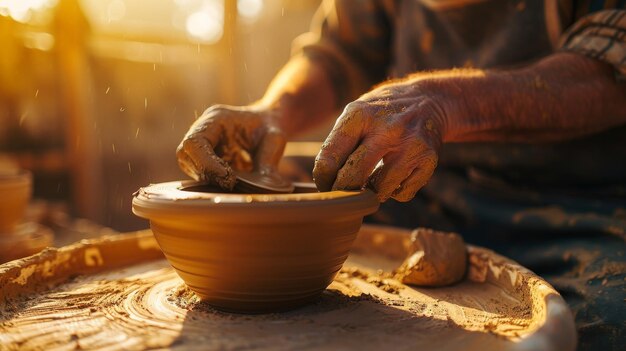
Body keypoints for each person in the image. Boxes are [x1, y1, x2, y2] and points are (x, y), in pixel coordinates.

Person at [177, 1, 626, 349]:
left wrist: (447, 103)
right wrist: (274, 111)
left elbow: (610, 73)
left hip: (576, 204)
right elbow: (340, 52)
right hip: (415, 187)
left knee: (606, 321)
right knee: (258, 205)